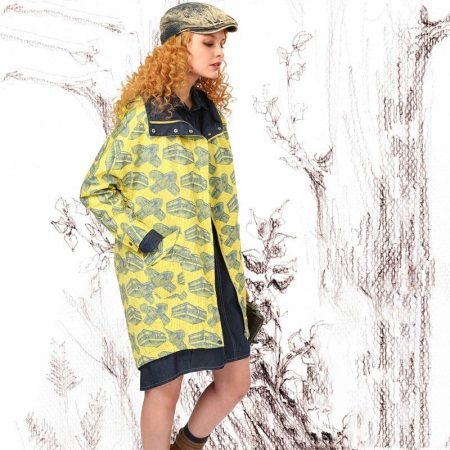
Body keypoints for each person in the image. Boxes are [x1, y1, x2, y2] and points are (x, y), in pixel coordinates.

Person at [79, 2, 251, 449]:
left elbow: (220, 199)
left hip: (214, 265)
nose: (219, 53)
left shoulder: (209, 113)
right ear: (178, 47)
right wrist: (147, 239)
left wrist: (235, 267)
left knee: (235, 382)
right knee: (166, 385)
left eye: (221, 44)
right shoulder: (145, 116)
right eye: (208, 43)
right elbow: (96, 188)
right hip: (162, 270)